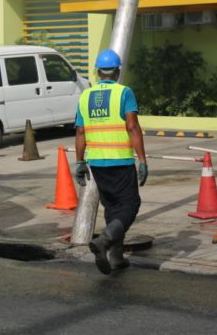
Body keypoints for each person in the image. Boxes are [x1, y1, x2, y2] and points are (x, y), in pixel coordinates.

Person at [74, 49, 148, 275]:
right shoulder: (124, 93)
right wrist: (143, 160)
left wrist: (79, 162)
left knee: (113, 206)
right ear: (117, 71)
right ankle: (105, 240)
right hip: (120, 160)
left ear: (98, 72)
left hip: (97, 163)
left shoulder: (85, 96)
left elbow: (80, 132)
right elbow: (132, 126)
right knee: (130, 205)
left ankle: (116, 256)